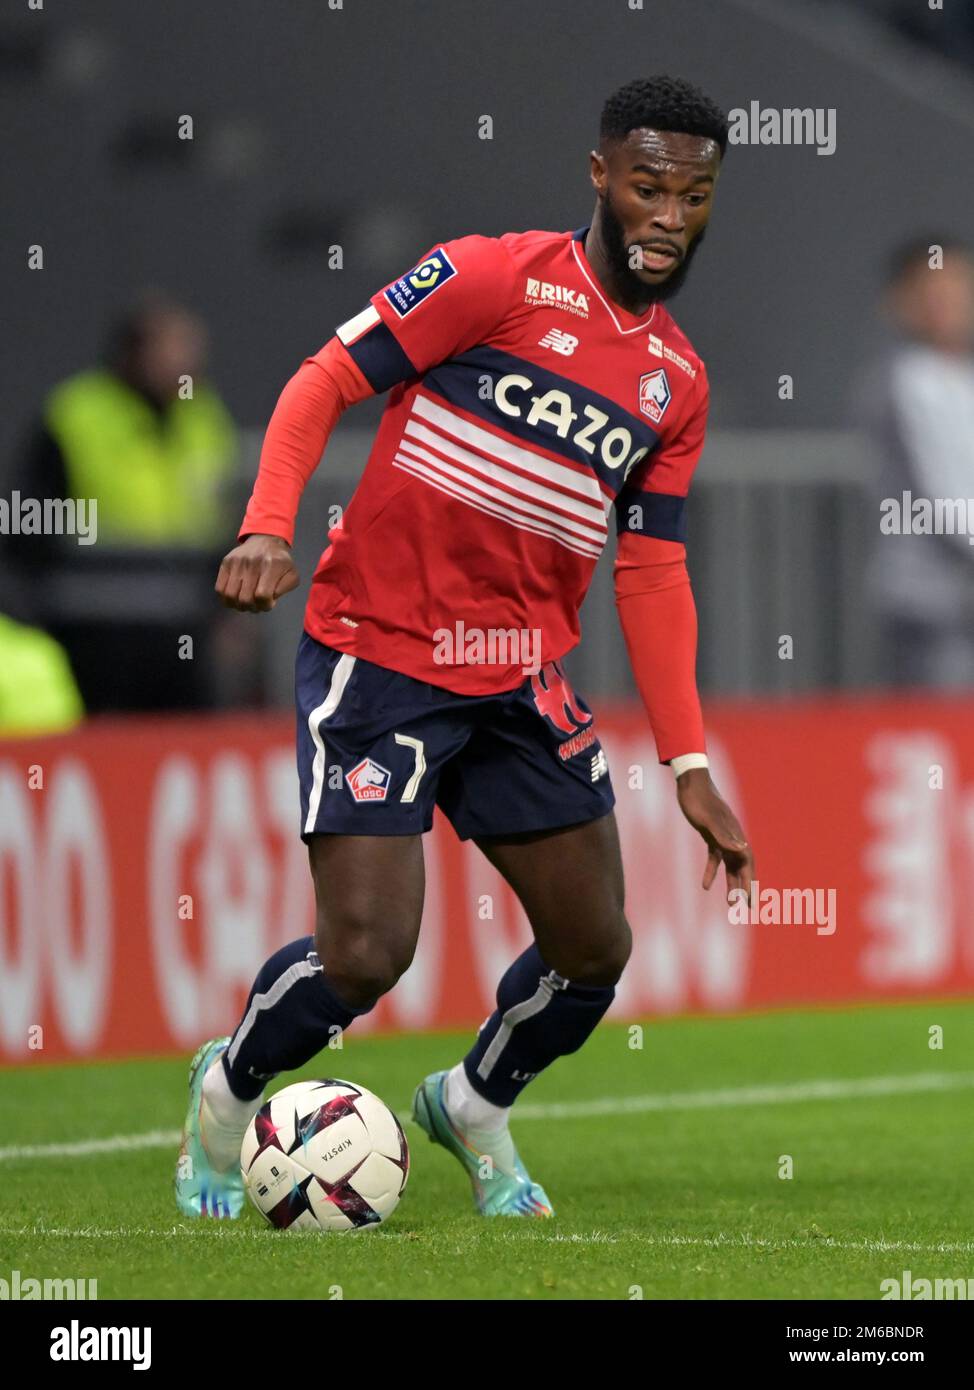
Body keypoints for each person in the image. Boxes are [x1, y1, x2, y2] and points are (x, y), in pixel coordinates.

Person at [175, 75, 754, 1222]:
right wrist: (265, 524)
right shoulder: (493, 276)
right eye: (646, 186)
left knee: (594, 948)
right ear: (598, 175)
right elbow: (324, 376)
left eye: (691, 197)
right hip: (382, 652)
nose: (666, 216)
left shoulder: (674, 383)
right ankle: (225, 1089)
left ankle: (474, 1100)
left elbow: (649, 569)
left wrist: (689, 765)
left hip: (519, 672)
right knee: (365, 957)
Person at [8, 294, 237, 711]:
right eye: (174, 347)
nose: (188, 362)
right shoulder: (76, 415)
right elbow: (29, 518)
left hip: (183, 625)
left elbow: (223, 517)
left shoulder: (202, 416)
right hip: (94, 627)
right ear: (134, 353)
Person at [860, 239, 974, 687]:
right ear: (900, 303)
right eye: (932, 292)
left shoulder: (960, 375)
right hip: (929, 603)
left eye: (957, 289)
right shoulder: (909, 378)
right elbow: (948, 497)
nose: (947, 304)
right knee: (951, 736)